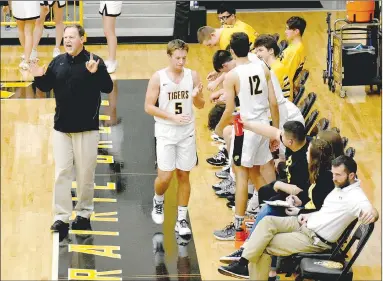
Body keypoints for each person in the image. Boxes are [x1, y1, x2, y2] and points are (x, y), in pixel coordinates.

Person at [218, 155, 379, 280]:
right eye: (333, 173)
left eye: (338, 175)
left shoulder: (356, 197)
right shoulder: (341, 185)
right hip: (306, 223)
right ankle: (242, 264)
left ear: (351, 175)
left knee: (263, 246)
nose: (334, 178)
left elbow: (369, 209)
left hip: (315, 240)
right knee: (267, 221)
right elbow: (329, 212)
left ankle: (243, 263)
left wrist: (373, 213)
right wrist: (309, 215)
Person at [29, 24, 114, 241]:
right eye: (65, 37)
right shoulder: (57, 61)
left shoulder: (94, 61)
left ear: (82, 39)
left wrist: (96, 74)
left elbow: (108, 87)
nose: (67, 40)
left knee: (85, 174)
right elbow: (46, 86)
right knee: (62, 173)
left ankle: (84, 214)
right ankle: (61, 216)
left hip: (87, 128)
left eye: (71, 37)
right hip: (62, 129)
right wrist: (38, 76)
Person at [214, 32, 279, 238]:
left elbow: (229, 108)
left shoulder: (233, 75)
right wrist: (274, 133)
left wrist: (218, 127)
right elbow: (274, 102)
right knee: (255, 173)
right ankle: (273, 211)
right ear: (250, 47)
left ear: (232, 51)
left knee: (242, 175)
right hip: (263, 126)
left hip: (247, 128)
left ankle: (238, 225)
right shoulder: (262, 67)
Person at [144, 39, 205, 236]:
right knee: (165, 176)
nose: (181, 62)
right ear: (169, 56)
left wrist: (196, 96)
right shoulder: (158, 77)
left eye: (184, 58)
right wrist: (171, 116)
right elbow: (148, 107)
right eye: (177, 58)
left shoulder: (192, 75)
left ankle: (181, 219)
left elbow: (201, 105)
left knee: (184, 175)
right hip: (165, 130)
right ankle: (158, 199)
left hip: (186, 131)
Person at [254, 34, 291, 99]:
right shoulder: (268, 66)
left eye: (260, 50)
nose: (257, 54)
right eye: (256, 51)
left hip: (279, 107)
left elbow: (267, 95)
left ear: (271, 51)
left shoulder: (277, 68)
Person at [11, 1, 40, 70]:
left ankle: (27, 55)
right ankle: (27, 59)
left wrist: (5, 4)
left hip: (18, 4)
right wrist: (45, 3)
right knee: (28, 32)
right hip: (31, 4)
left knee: (21, 30)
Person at [279, 16, 307, 88]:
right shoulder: (297, 46)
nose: (285, 32)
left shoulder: (294, 52)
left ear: (296, 31)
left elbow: (286, 78)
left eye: (288, 29)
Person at [99, 1, 122, 73]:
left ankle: (112, 61)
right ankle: (111, 60)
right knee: (107, 31)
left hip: (112, 3)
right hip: (106, 2)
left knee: (109, 32)